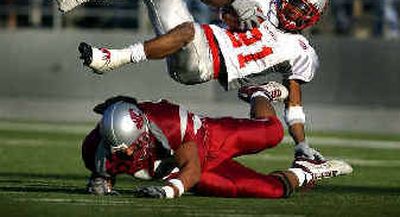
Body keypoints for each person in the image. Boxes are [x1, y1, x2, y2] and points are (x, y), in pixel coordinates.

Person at [42, 0, 328, 162]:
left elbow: (295, 102)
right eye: (293, 1)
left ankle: (113, 59)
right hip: (196, 40)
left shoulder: (301, 50)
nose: (292, 9)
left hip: (207, 64)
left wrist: (301, 144)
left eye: (302, 8)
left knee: (190, 31)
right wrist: (234, 0)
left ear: (312, 17)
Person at [81, 82, 352, 198]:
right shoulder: (97, 147)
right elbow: (104, 166)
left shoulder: (170, 126)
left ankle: (259, 93)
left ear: (144, 132)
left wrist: (168, 190)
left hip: (210, 139)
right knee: (270, 191)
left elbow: (192, 168)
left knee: (272, 132)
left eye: (130, 145)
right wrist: (102, 179)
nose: (126, 153)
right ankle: (306, 172)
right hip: (192, 168)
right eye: (118, 148)